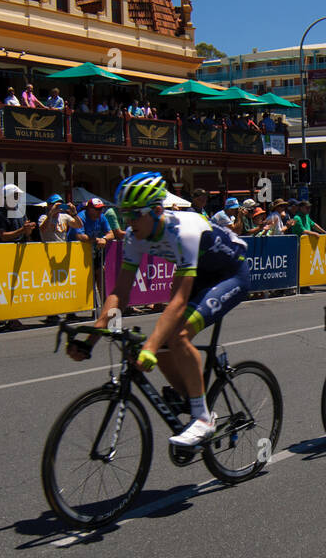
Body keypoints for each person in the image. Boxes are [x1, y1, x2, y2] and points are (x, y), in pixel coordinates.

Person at [68, 172, 251, 446]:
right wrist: (90, 340)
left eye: (134, 214)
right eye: (124, 214)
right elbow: (120, 292)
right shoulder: (134, 236)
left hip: (231, 275)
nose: (128, 221)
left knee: (176, 337)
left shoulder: (184, 231)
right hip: (201, 275)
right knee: (163, 345)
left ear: (155, 211)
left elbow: (177, 300)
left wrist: (150, 347)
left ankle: (203, 419)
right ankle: (194, 402)